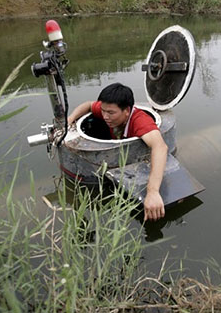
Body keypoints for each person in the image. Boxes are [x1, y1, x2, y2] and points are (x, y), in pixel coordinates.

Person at [67, 83, 168, 221]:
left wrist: (153, 191)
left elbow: (160, 147)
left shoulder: (140, 121)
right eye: (103, 111)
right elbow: (89, 105)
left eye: (110, 113)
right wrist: (70, 119)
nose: (105, 116)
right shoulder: (108, 111)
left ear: (127, 111)